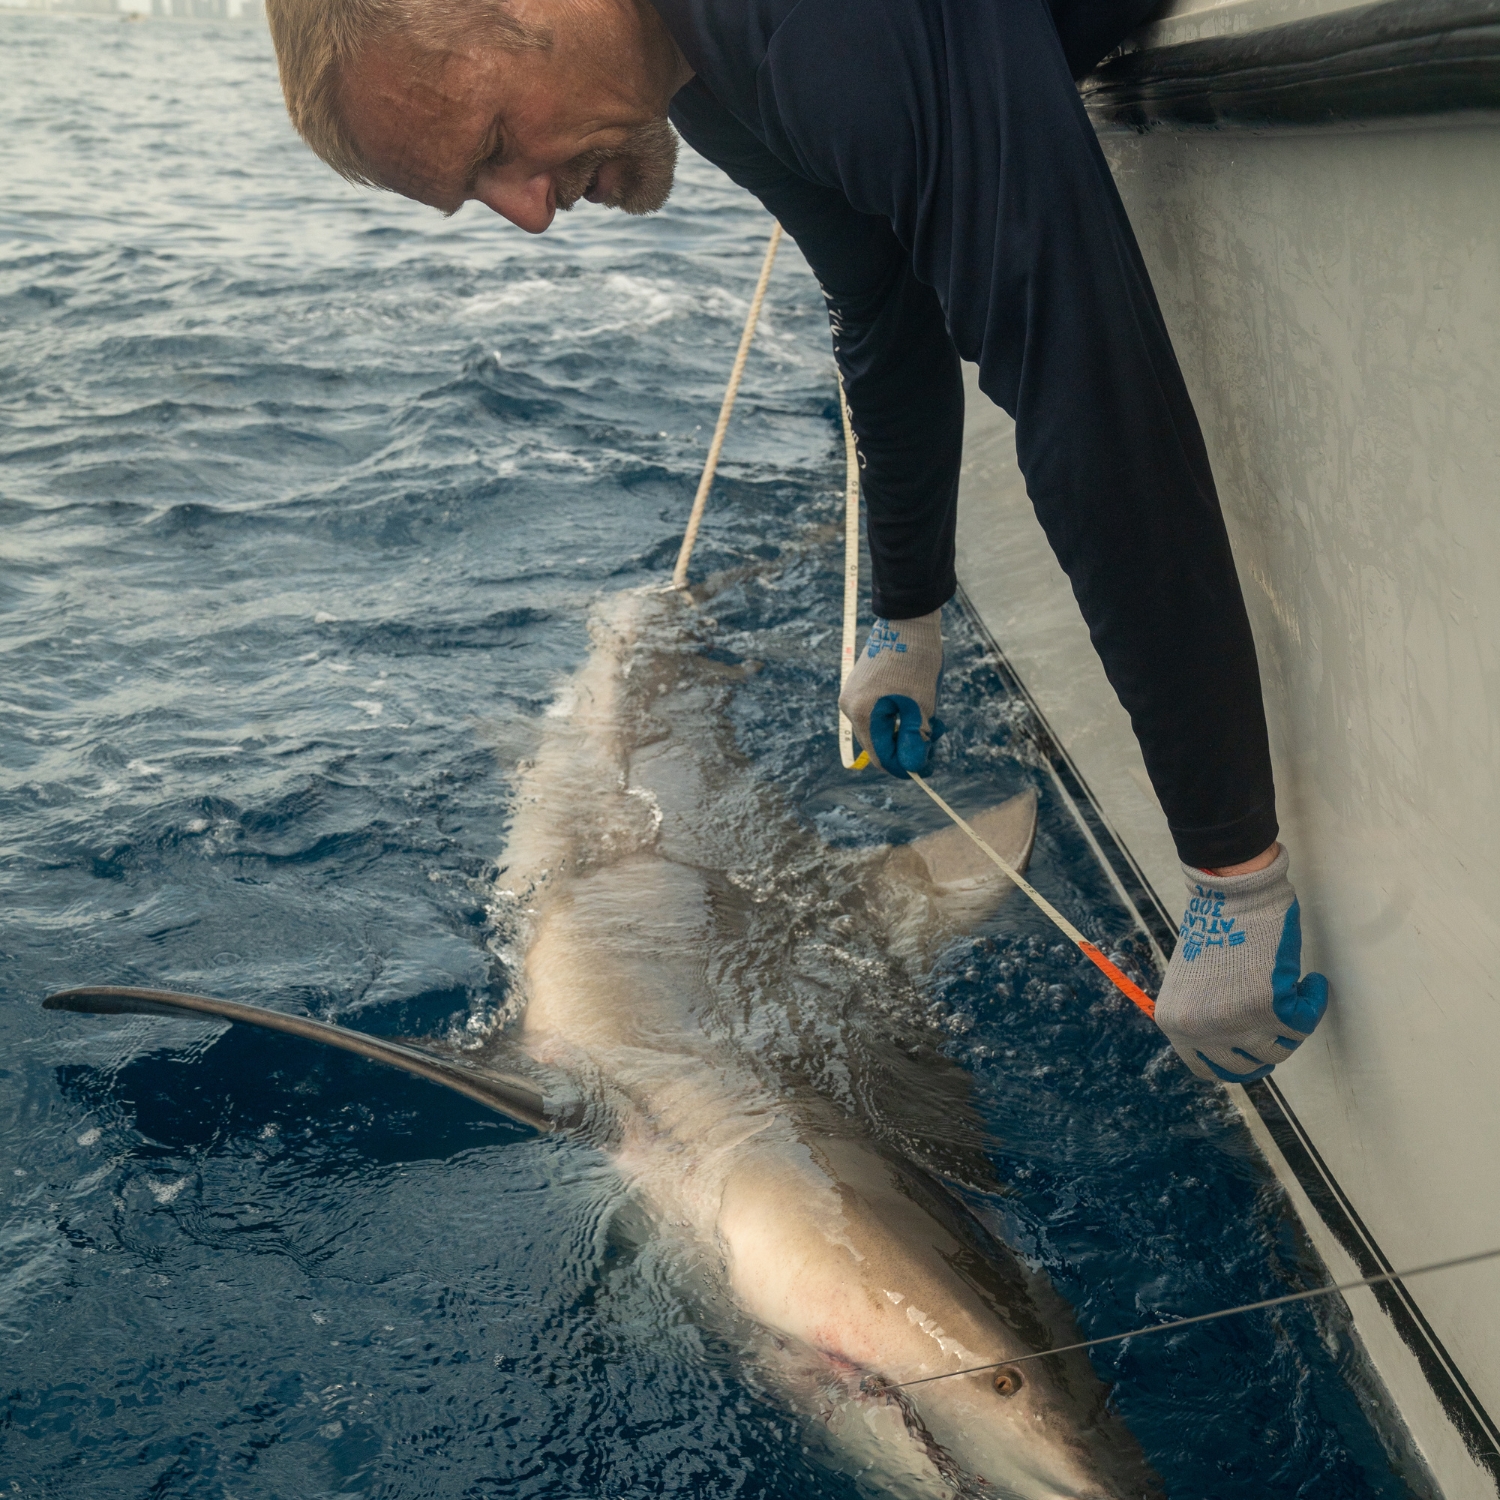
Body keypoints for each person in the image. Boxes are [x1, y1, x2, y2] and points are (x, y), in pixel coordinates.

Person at [263, 0, 1329, 1083]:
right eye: (478, 196)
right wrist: (908, 611)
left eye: (493, 146)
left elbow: (1081, 365)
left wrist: (1230, 862)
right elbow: (879, 295)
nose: (529, 212)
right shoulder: (699, 70)